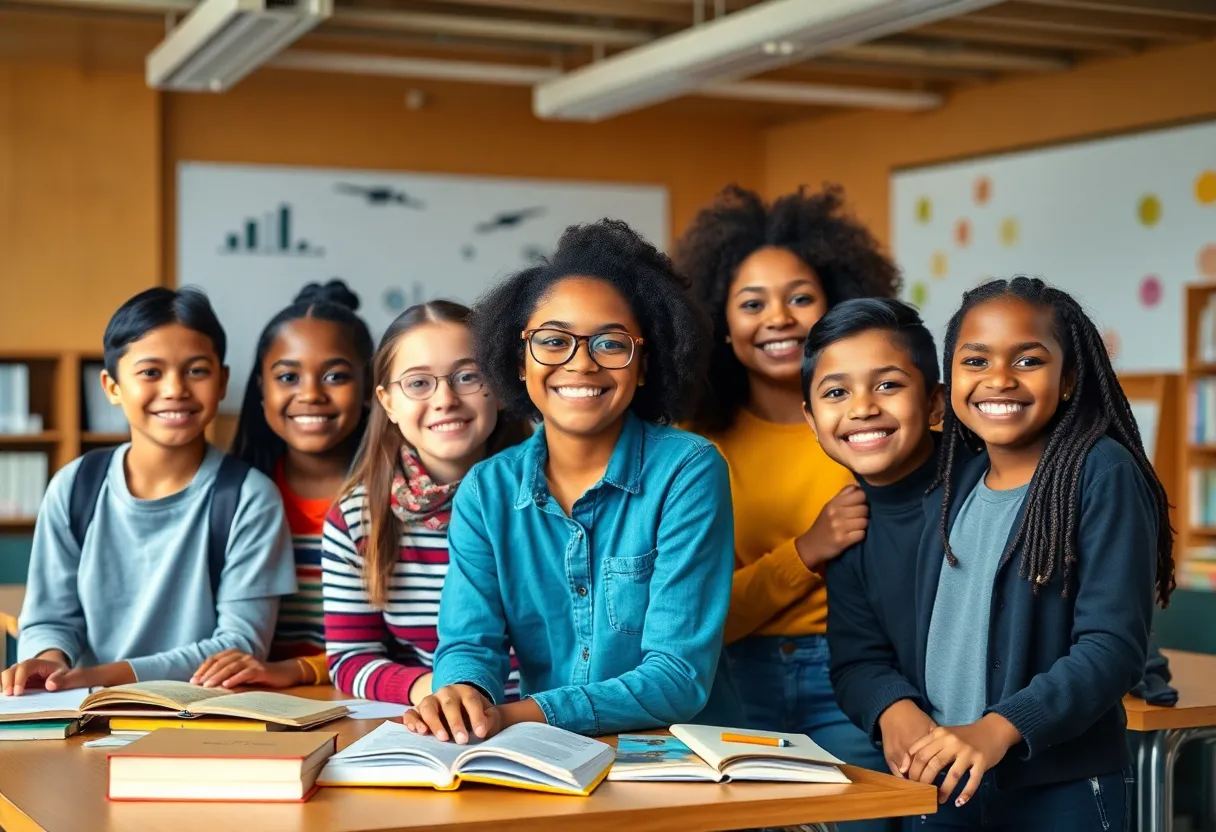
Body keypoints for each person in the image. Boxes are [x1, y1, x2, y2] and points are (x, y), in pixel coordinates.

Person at [404, 219, 738, 743]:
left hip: (674, 761)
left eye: (610, 344)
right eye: (554, 341)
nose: (580, 364)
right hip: (546, 758)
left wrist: (513, 716)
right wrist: (461, 694)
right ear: (520, 361)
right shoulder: (485, 491)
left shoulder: (688, 471)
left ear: (644, 364)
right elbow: (469, 645)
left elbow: (678, 678)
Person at [909, 277, 1173, 829]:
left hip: (1059, 786)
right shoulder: (956, 482)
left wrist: (997, 728)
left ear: (1069, 377)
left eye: (1027, 360)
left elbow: (1111, 648)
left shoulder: (1102, 473)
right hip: (947, 776)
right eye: (975, 360)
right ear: (950, 378)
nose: (998, 379)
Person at [677, 184, 902, 795]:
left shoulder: (879, 427)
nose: (778, 318)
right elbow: (701, 614)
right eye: (752, 303)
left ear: (837, 306)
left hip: (859, 678)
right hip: (730, 679)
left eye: (801, 298)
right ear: (718, 322)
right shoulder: (692, 447)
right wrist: (808, 550)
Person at [2, 287, 295, 695]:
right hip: (87, 710)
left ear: (223, 381)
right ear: (111, 386)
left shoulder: (248, 497)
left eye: (197, 370)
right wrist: (48, 661)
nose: (175, 389)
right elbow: (50, 618)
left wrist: (100, 676)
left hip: (205, 711)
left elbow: (239, 645)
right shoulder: (74, 486)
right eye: (150, 372)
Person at [322, 300, 523, 705]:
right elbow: (350, 658)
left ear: (499, 388)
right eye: (418, 383)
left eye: (468, 376)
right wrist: (444, 693)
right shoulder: (357, 517)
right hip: (441, 719)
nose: (445, 399)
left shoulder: (548, 498)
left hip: (548, 717)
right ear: (387, 402)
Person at [191, 280, 373, 689]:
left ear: (368, 386)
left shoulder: (399, 498)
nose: (310, 394)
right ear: (261, 388)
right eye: (288, 377)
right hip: (248, 699)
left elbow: (406, 641)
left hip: (370, 701)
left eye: (335, 376)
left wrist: (294, 670)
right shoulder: (233, 498)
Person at [800, 298, 946, 779]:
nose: (862, 408)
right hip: (932, 765)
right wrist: (892, 707)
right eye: (836, 393)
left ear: (933, 403)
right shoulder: (851, 524)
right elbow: (856, 660)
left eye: (887, 385)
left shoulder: (990, 485)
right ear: (811, 419)